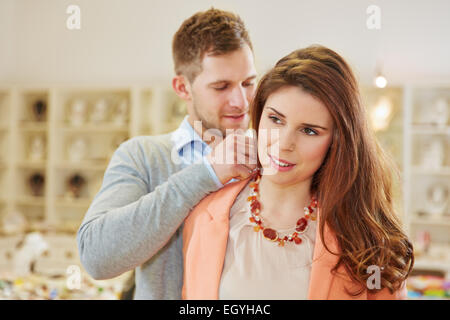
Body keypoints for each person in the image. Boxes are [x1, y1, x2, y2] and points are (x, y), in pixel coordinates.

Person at [182, 45, 415, 300]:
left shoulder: (368, 242)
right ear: (259, 116)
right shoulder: (205, 215)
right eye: (276, 119)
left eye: (309, 131)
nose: (283, 143)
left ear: (337, 142)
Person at [77, 8, 258, 299]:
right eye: (221, 86)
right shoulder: (142, 156)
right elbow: (96, 258)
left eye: (248, 83)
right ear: (182, 87)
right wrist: (207, 173)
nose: (241, 101)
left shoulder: (272, 158)